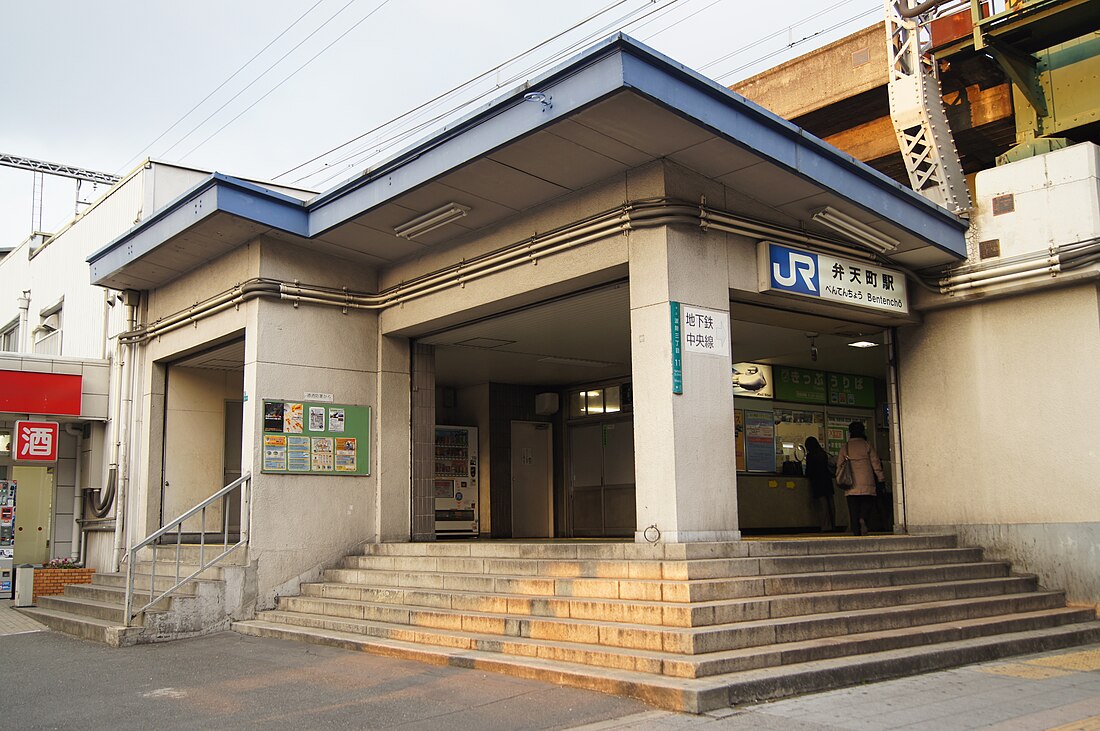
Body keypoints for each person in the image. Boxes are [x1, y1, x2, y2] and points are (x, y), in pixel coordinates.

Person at [836, 421, 885, 536]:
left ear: (850, 432)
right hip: (867, 480)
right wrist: (881, 478)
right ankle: (863, 518)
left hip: (851, 482)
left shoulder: (846, 447)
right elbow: (875, 463)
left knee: (853, 509)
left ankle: (856, 531)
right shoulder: (867, 445)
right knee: (867, 503)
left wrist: (839, 477)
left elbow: (839, 465)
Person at [803, 436, 836, 532]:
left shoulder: (811, 455)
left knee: (823, 505)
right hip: (827, 480)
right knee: (831, 504)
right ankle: (833, 524)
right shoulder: (823, 453)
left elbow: (809, 471)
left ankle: (826, 526)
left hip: (818, 481)